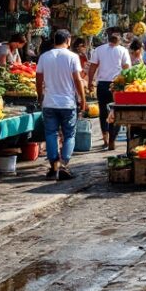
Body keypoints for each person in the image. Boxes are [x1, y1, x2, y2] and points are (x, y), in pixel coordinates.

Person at [36, 30, 87, 181]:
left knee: (51, 133)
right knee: (69, 134)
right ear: (68, 40)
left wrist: (40, 97)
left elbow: (38, 80)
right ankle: (63, 163)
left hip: (49, 102)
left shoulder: (44, 57)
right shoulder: (72, 57)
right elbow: (77, 80)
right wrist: (82, 99)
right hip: (67, 103)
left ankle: (54, 165)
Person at [87, 32, 132, 150]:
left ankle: (105, 138)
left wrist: (90, 82)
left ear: (108, 40)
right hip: (116, 85)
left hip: (102, 84)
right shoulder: (123, 50)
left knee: (103, 112)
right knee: (116, 112)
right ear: (119, 41)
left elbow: (92, 67)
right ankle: (112, 138)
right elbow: (127, 68)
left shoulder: (99, 49)